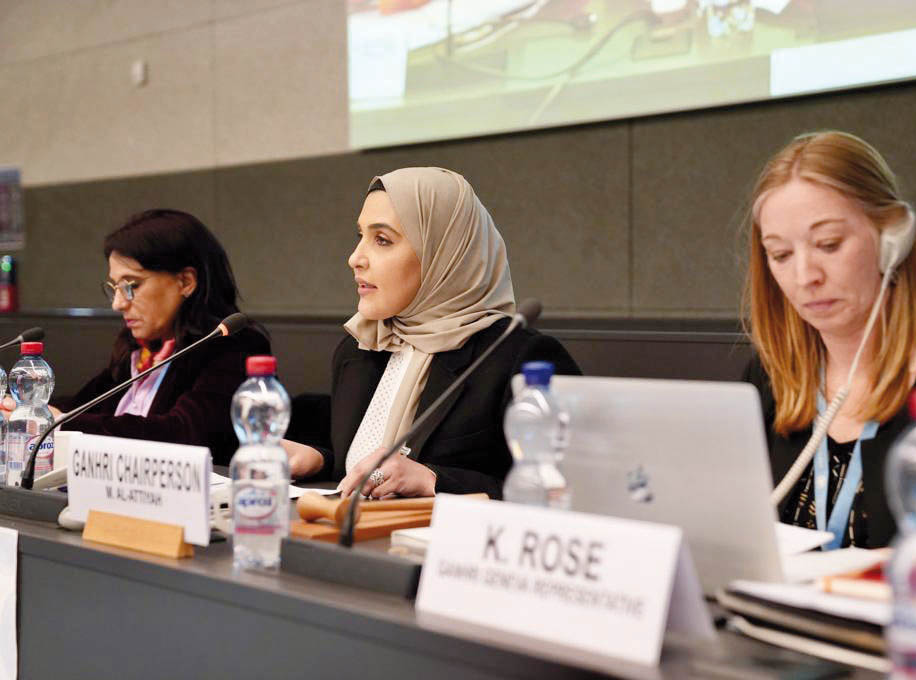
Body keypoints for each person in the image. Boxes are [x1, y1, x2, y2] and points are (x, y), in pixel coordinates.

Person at [742, 131, 916, 548]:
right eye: (780, 255)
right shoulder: (767, 378)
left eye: (828, 244)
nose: (805, 277)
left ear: (894, 239)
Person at [284, 167, 580, 499]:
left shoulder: (517, 358)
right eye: (360, 237)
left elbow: (566, 494)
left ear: (444, 251)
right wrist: (320, 460)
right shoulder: (361, 347)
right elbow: (364, 468)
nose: (355, 258)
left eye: (382, 240)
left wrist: (434, 481)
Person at [45, 209, 270, 465]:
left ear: (185, 282)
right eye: (115, 288)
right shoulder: (141, 349)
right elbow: (79, 407)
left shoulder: (234, 346)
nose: (118, 304)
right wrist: (25, 410)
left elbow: (184, 435)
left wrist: (59, 423)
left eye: (131, 286)